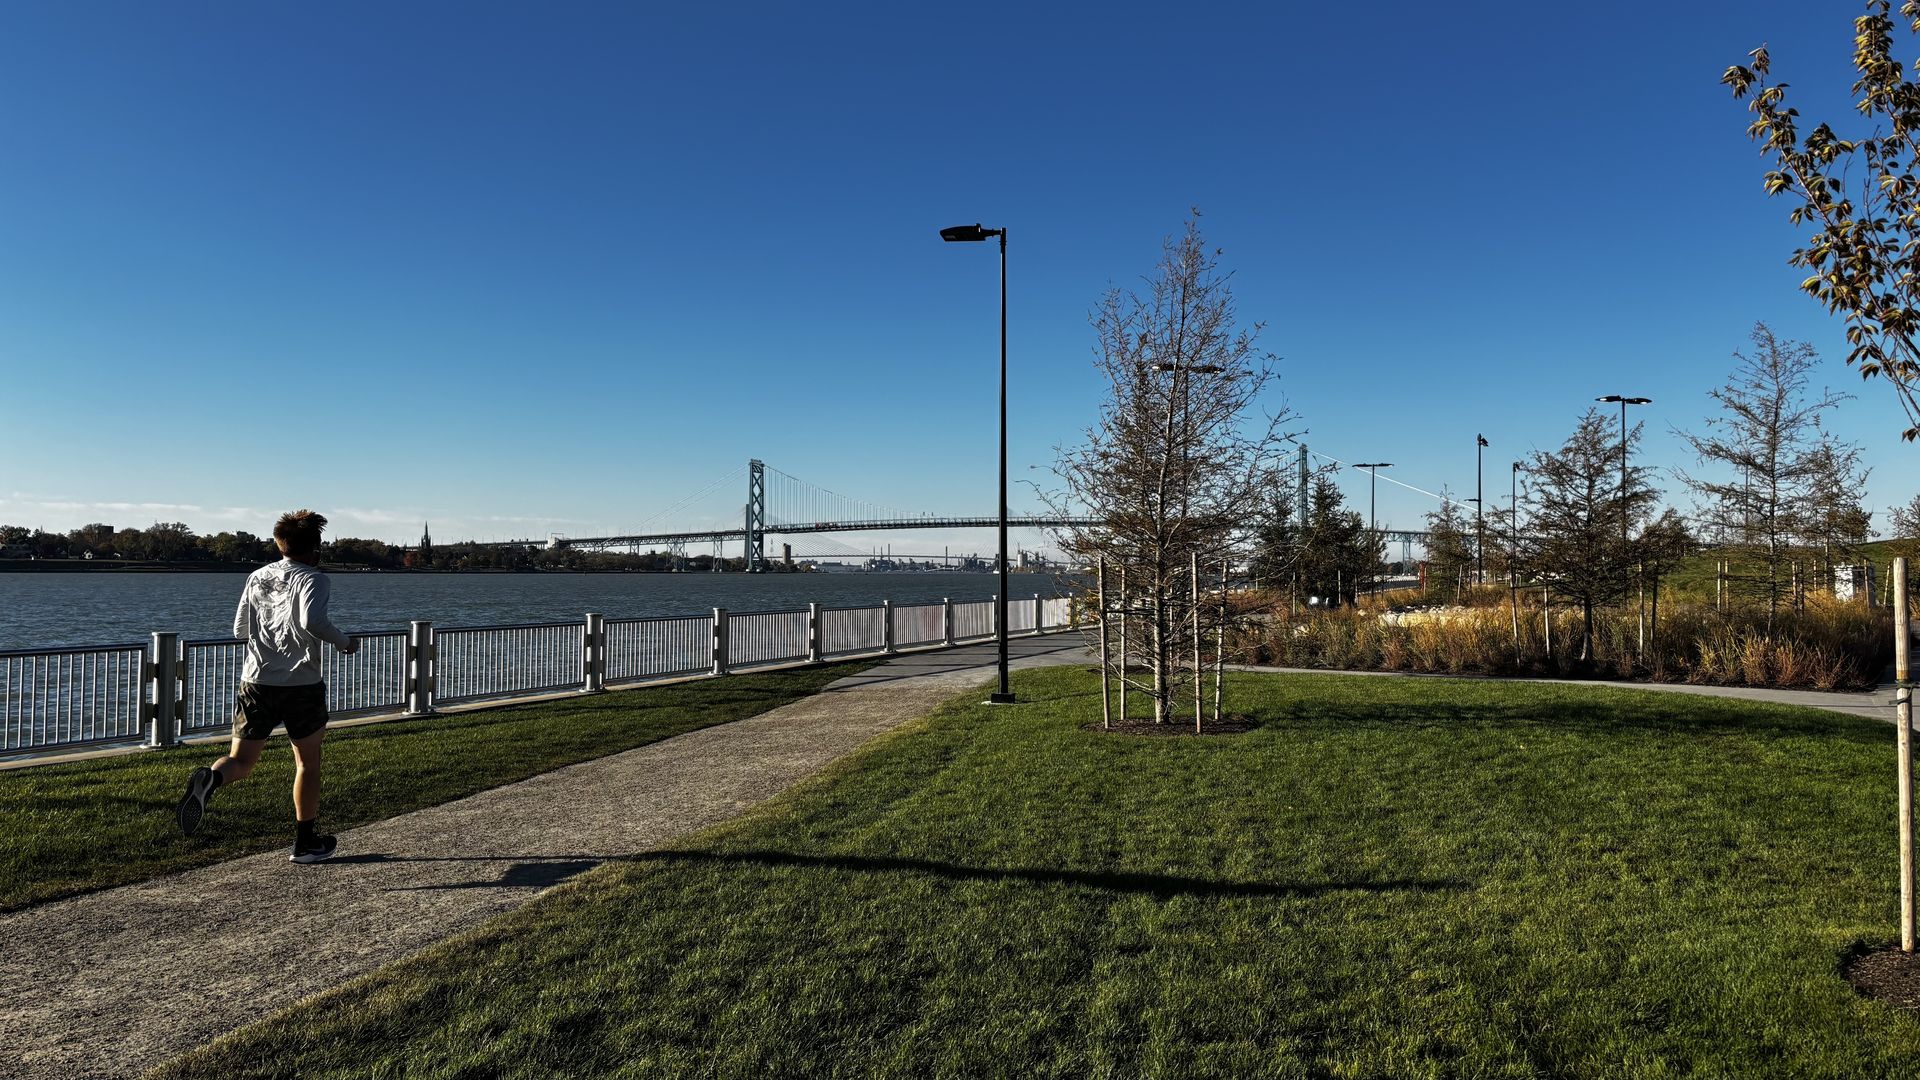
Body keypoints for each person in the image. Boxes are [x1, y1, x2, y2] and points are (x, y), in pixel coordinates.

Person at [176, 509, 357, 863]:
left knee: (240, 761)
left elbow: (240, 630)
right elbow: (313, 620)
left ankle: (211, 780)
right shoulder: (315, 579)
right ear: (315, 546)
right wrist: (343, 641)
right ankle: (306, 843)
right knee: (307, 764)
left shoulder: (257, 577)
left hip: (256, 680)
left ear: (279, 544)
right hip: (301, 684)